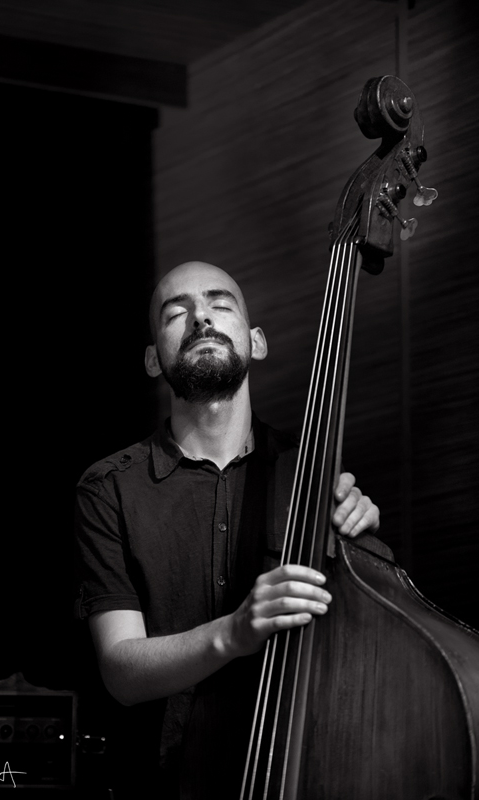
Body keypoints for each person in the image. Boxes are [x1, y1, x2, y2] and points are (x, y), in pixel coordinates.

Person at [74, 261, 380, 799]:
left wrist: (367, 553)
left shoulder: (312, 477)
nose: (201, 318)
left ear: (256, 341)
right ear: (153, 359)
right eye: (177, 313)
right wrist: (232, 633)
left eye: (220, 304)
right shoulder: (108, 488)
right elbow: (121, 671)